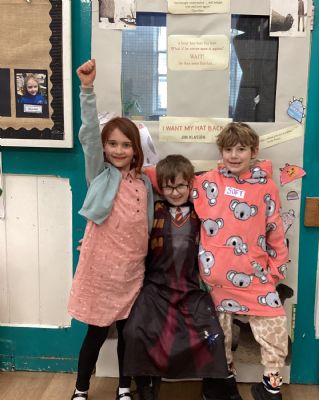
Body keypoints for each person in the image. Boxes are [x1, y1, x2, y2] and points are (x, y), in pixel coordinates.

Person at [68, 59, 154, 400]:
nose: (119, 150)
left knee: (129, 335)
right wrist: (86, 89)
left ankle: (123, 388)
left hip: (132, 272)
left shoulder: (144, 184)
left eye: (126, 145)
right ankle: (81, 388)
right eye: (113, 144)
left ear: (136, 150)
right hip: (102, 271)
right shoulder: (100, 175)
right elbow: (89, 133)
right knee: (96, 333)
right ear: (104, 148)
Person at [192, 122, 289, 400]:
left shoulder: (266, 186)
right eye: (228, 149)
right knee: (219, 334)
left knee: (275, 325)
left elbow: (275, 230)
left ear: (253, 151)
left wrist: (275, 271)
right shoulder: (206, 182)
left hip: (255, 275)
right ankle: (223, 382)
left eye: (241, 149)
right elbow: (169, 179)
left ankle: (271, 387)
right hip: (216, 275)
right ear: (221, 152)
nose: (234, 155)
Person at [123, 154, 229, 400]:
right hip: (155, 288)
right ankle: (146, 386)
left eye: (181, 185)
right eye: (168, 187)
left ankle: (211, 389)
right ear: (160, 187)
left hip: (192, 289)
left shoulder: (202, 213)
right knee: (135, 331)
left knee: (213, 334)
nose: (175, 192)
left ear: (190, 184)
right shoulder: (153, 212)